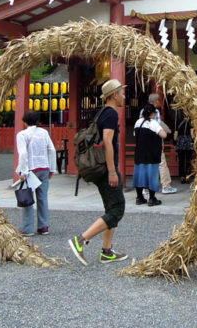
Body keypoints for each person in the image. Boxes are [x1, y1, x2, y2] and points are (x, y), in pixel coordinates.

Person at [68, 79, 129, 265]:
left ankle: (107, 251)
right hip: (105, 168)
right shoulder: (110, 114)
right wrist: (112, 171)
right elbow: (107, 142)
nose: (124, 96)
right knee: (117, 209)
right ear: (113, 95)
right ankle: (80, 240)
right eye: (121, 92)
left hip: (101, 167)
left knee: (112, 208)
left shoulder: (102, 113)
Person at [15, 110, 56, 236]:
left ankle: (28, 228)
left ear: (25, 122)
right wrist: (52, 169)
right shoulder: (44, 132)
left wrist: (22, 171)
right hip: (44, 168)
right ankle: (43, 226)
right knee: (43, 198)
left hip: (30, 170)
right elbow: (52, 150)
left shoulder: (22, 135)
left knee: (28, 198)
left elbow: (23, 153)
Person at [132, 104, 168, 206]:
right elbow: (163, 135)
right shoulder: (153, 123)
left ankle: (139, 197)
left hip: (139, 153)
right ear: (152, 113)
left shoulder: (138, 122)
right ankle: (152, 199)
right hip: (151, 154)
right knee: (152, 175)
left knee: (139, 175)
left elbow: (134, 134)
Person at [148, 93, 177, 194]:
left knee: (148, 163)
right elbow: (158, 124)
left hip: (146, 142)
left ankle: (146, 188)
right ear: (156, 102)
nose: (160, 103)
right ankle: (166, 186)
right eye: (159, 101)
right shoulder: (155, 111)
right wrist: (167, 130)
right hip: (155, 141)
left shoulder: (143, 111)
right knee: (161, 163)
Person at [174, 116, 194, 182]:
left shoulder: (178, 121)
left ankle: (182, 176)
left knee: (181, 160)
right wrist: (193, 141)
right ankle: (188, 176)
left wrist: (175, 142)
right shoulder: (191, 122)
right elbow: (192, 133)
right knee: (188, 159)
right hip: (188, 142)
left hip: (180, 142)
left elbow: (175, 134)